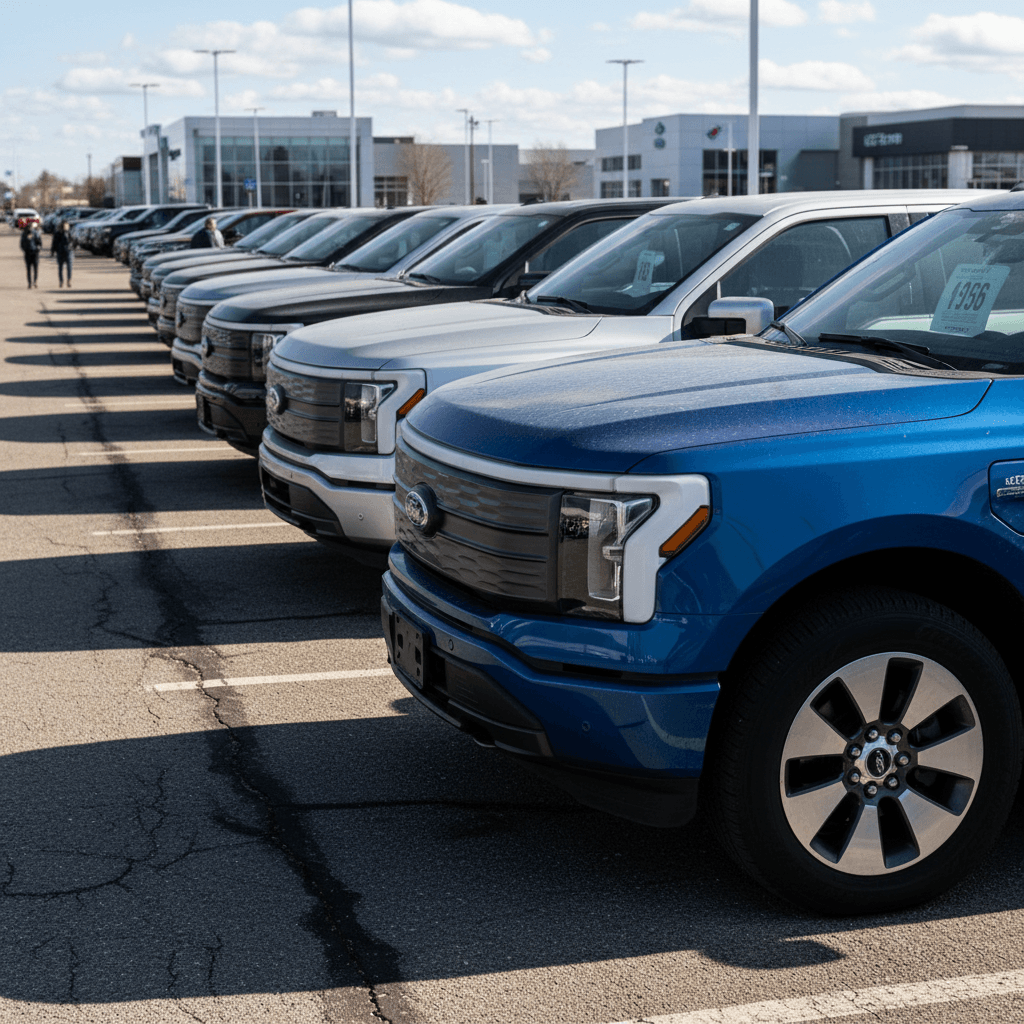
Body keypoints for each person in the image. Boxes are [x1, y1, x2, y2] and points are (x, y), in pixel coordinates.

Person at [51, 220, 74, 287]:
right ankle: (61, 281)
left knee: (69, 267)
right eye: (65, 225)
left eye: (67, 225)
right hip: (60, 252)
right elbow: (54, 243)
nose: (67, 227)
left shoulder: (70, 233)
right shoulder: (58, 233)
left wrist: (72, 246)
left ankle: (69, 280)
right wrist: (53, 251)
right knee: (60, 267)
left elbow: (73, 241)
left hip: (69, 252)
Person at [20, 219, 41, 288]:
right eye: (29, 227)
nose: (30, 229)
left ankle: (35, 282)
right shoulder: (24, 234)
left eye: (31, 227)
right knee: (28, 269)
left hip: (35, 253)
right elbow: (21, 244)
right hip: (28, 253)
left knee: (35, 269)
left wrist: (38, 248)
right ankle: (29, 283)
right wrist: (25, 249)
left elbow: (39, 242)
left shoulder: (36, 233)